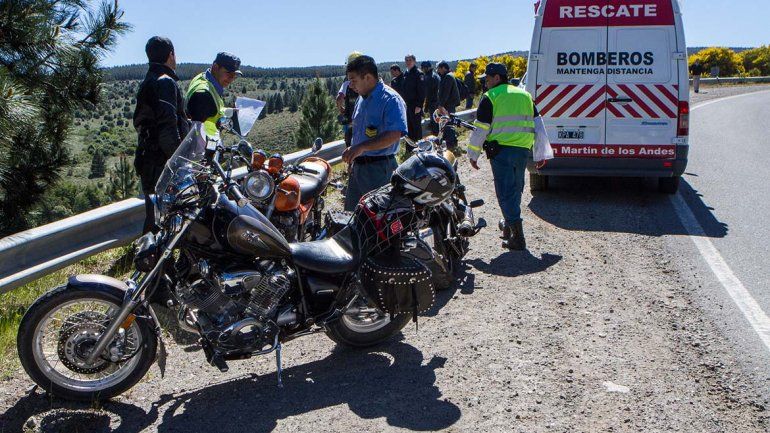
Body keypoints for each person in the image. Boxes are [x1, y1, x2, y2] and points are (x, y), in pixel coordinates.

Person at [467, 63, 542, 251]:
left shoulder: (491, 97)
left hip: (502, 152)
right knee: (516, 189)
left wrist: (473, 154)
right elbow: (538, 124)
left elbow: (480, 129)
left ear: (497, 78)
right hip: (522, 150)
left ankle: (518, 238)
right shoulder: (525, 95)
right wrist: (541, 152)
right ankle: (509, 226)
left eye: (487, 78)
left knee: (505, 192)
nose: (485, 82)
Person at [133, 36, 190, 234]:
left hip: (148, 158)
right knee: (160, 220)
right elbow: (167, 128)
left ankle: (150, 251)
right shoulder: (165, 82)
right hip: (161, 162)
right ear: (171, 55)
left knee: (156, 215)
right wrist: (178, 161)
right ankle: (150, 253)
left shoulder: (148, 80)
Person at [341, 55, 408, 211]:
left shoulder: (390, 99)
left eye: (353, 80)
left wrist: (361, 147)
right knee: (352, 216)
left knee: (377, 218)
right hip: (358, 169)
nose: (350, 85)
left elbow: (394, 134)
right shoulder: (361, 99)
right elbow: (359, 133)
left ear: (368, 77)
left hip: (379, 170)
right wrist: (354, 156)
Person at [186, 52, 242, 138]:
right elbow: (196, 132)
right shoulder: (203, 94)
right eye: (228, 73)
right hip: (203, 144)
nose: (231, 79)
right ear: (215, 67)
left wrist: (230, 112)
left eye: (234, 75)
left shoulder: (205, 78)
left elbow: (212, 112)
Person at [336, 52, 363, 147]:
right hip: (364, 121)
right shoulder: (367, 83)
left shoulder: (346, 84)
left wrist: (341, 109)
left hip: (350, 120)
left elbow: (339, 99)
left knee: (350, 144)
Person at [436, 61, 461, 148]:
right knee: (448, 124)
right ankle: (452, 144)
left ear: (443, 68)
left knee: (448, 125)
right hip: (448, 105)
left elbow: (446, 93)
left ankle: (451, 145)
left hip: (448, 106)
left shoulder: (448, 77)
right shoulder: (448, 76)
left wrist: (441, 105)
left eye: (439, 68)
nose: (438, 71)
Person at [402, 54, 426, 141]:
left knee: (416, 127)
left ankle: (418, 145)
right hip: (407, 104)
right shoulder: (406, 73)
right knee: (409, 126)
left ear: (414, 61)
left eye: (410, 60)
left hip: (415, 105)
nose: (408, 62)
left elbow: (422, 91)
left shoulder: (418, 73)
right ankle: (410, 146)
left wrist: (419, 105)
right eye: (406, 60)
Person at [421, 61, 440, 135]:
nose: (422, 70)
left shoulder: (429, 77)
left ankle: (436, 137)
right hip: (439, 102)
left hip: (433, 103)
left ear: (426, 68)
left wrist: (426, 106)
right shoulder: (436, 75)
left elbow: (428, 94)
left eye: (423, 68)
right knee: (438, 120)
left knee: (434, 122)